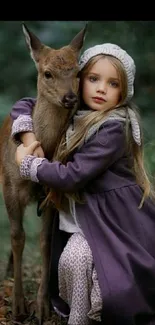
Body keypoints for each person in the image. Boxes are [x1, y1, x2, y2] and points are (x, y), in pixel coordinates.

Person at [10, 43, 155, 325]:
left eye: (112, 83)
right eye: (93, 79)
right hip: (85, 222)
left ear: (124, 92)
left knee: (118, 290)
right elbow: (24, 104)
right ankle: (78, 318)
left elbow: (73, 175)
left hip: (115, 223)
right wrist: (28, 138)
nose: (101, 88)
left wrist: (29, 164)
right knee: (71, 260)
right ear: (78, 81)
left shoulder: (114, 127)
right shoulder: (70, 110)